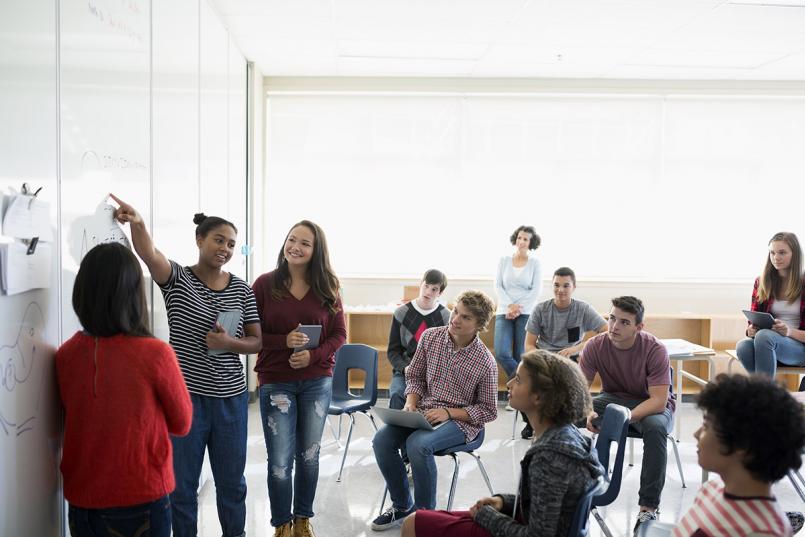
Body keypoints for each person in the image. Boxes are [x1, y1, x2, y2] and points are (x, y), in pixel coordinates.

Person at [112, 194, 262, 537]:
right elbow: (149, 254)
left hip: (231, 400)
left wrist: (229, 344)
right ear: (200, 240)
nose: (224, 248)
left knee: (232, 485)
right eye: (218, 240)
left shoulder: (242, 290)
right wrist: (138, 223)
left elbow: (257, 341)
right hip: (184, 399)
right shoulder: (178, 279)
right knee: (181, 489)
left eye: (231, 244)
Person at [56, 243, 193, 537]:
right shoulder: (155, 353)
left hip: (82, 500)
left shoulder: (65, 355)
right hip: (141, 497)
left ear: (82, 292)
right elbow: (182, 424)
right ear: (134, 295)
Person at [401, 350, 604, 537]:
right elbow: (542, 505)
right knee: (420, 519)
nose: (509, 384)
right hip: (532, 524)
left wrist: (486, 516)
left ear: (538, 397)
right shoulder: (566, 434)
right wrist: (503, 502)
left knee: (414, 524)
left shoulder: (551, 456)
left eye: (519, 380)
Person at [371, 291, 499, 531]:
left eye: (466, 317)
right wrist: (410, 402)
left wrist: (449, 412)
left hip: (463, 423)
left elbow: (488, 410)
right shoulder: (431, 337)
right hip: (424, 412)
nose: (456, 319)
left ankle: (425, 518)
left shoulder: (485, 362)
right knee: (381, 440)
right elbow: (415, 376)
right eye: (456, 311)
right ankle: (401, 507)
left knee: (419, 444)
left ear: (479, 325)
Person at [252, 220, 347, 537]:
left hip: (316, 380)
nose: (295, 246)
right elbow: (248, 334)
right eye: (291, 239)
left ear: (316, 250)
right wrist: (284, 342)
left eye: (304, 243)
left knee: (309, 455)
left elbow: (339, 334)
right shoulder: (265, 285)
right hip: (275, 380)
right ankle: (281, 523)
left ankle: (303, 519)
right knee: (280, 460)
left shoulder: (329, 287)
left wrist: (313, 355)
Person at [579, 296, 674, 535]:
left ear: (639, 327)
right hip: (612, 398)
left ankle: (648, 507)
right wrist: (588, 411)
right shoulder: (595, 346)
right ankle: (576, 487)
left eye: (624, 322)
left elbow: (659, 400)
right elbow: (578, 391)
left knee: (655, 429)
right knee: (564, 412)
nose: (614, 327)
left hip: (649, 404)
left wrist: (626, 416)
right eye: (611, 318)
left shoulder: (654, 349)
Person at [672, 373, 805, 537]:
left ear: (742, 444)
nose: (696, 433)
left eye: (706, 426)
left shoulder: (762, 532)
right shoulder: (711, 490)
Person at [520, 266, 607, 438]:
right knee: (519, 383)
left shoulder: (583, 309)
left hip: (571, 359)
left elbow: (606, 331)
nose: (560, 290)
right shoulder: (540, 309)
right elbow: (529, 344)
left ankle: (560, 424)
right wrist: (543, 358)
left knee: (563, 387)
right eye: (556, 285)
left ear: (574, 287)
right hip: (544, 359)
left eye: (566, 285)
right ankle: (533, 422)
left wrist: (577, 348)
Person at [736, 231, 805, 378]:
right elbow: (753, 323)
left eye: (782, 253)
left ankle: (766, 396)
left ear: (795, 254)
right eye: (772, 253)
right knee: (743, 346)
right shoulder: (762, 282)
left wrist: (789, 332)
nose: (776, 258)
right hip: (768, 343)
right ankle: (766, 393)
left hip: (799, 348)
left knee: (765, 336)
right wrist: (751, 330)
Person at [387, 269, 450, 409]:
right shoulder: (401, 313)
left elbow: (447, 353)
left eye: (434, 289)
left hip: (433, 375)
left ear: (440, 293)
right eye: (426, 286)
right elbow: (393, 351)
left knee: (434, 402)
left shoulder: (446, 317)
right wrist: (405, 368)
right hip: (405, 371)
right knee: (397, 395)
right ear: (420, 284)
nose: (428, 292)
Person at [493, 225, 542, 380]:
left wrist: (518, 308)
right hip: (504, 310)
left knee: (521, 355)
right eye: (519, 237)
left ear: (530, 243)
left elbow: (535, 290)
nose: (521, 241)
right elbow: (498, 285)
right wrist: (510, 306)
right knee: (501, 352)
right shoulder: (504, 260)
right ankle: (524, 381)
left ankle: (516, 396)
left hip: (526, 312)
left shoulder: (535, 263)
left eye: (525, 239)